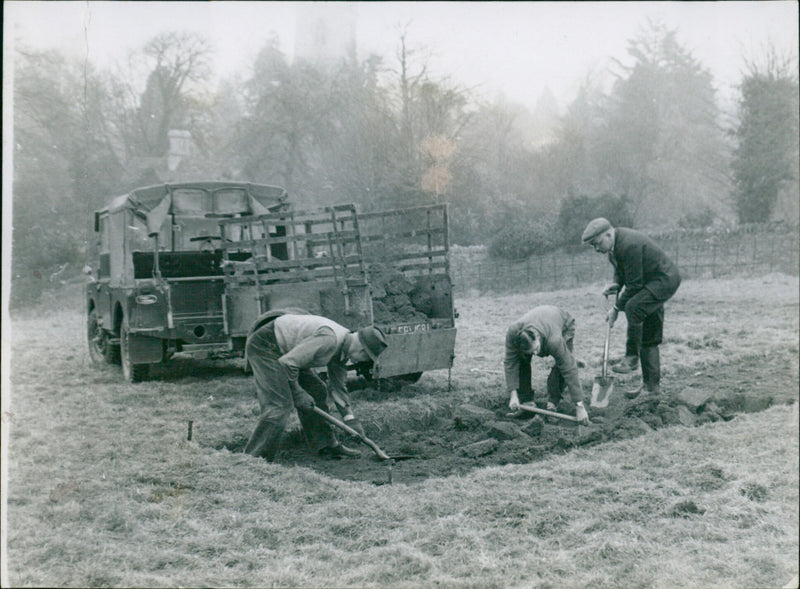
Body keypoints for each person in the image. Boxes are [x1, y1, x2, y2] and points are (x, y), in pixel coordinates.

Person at [243, 312, 388, 461]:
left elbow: (338, 387)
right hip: (266, 345)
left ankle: (326, 446)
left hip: (290, 353)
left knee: (317, 390)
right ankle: (254, 459)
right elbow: (287, 363)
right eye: (367, 358)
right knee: (280, 404)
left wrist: (350, 419)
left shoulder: (344, 347)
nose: (364, 361)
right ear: (362, 351)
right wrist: (298, 392)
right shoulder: (329, 339)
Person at [581, 217, 681, 397]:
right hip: (652, 281)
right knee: (649, 334)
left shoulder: (629, 245)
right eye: (593, 246)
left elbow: (634, 285)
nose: (596, 249)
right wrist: (616, 285)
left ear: (608, 234)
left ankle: (631, 358)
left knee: (633, 307)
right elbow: (622, 271)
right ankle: (651, 389)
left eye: (597, 244)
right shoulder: (614, 247)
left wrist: (616, 309)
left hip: (664, 279)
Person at [504, 305, 590, 425]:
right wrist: (513, 394)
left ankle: (553, 401)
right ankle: (526, 401)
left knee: (562, 364)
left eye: (536, 349)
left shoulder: (554, 340)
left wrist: (580, 406)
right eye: (531, 352)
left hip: (563, 324)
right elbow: (510, 363)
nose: (535, 354)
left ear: (537, 338)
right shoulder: (514, 333)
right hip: (541, 319)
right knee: (522, 359)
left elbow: (568, 369)